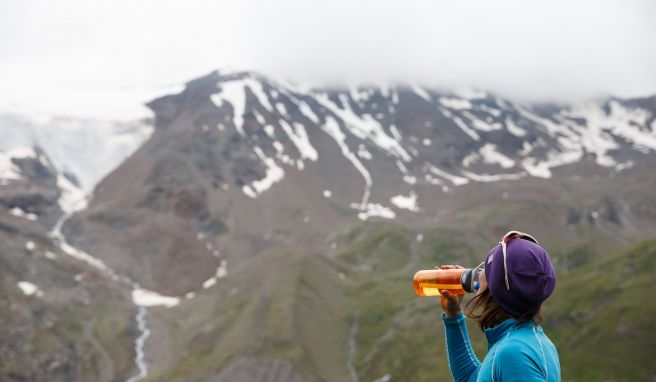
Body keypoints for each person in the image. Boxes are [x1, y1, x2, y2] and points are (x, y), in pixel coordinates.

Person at [438, 231, 561, 382]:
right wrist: (453, 314)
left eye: (487, 270)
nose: (481, 273)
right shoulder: (525, 341)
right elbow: (470, 378)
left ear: (497, 288)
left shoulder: (514, 353)